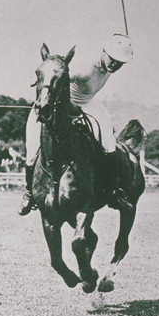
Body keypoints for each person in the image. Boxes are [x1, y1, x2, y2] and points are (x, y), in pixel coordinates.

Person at [19, 33, 134, 216]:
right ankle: (29, 193)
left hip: (90, 105)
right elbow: (55, 74)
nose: (114, 64)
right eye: (112, 59)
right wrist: (37, 82)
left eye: (120, 62)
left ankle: (114, 192)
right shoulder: (84, 66)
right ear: (103, 51)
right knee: (32, 148)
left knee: (108, 143)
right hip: (62, 106)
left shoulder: (110, 67)